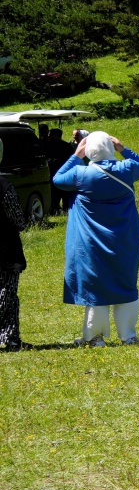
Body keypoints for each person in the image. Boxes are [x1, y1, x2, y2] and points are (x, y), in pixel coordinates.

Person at [54, 131, 139, 346]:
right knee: (126, 284)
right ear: (110, 147)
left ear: (88, 151)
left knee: (95, 288)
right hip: (125, 238)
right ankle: (128, 335)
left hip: (91, 242)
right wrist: (123, 148)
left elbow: (58, 179)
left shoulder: (80, 174)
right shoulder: (126, 169)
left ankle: (95, 338)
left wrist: (76, 156)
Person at [0, 141, 26, 350]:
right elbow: (17, 219)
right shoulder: (3, 184)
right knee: (7, 294)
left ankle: (11, 339)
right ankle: (10, 338)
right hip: (5, 248)